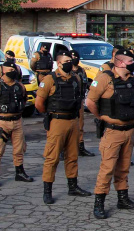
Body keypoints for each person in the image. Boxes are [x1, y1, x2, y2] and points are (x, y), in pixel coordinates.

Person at [86, 50, 134, 219]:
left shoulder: (133, 79)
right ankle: (99, 203)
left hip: (129, 130)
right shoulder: (104, 78)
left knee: (124, 167)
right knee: (107, 168)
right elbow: (90, 102)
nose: (133, 63)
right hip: (112, 131)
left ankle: (122, 198)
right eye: (130, 60)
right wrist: (101, 117)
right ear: (119, 63)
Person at [36, 51, 92, 204]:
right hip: (57, 121)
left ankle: (72, 186)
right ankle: (47, 190)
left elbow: (79, 97)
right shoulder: (49, 79)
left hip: (72, 120)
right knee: (52, 157)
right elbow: (39, 103)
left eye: (71, 59)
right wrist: (50, 114)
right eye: (67, 60)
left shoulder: (76, 78)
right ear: (59, 63)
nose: (70, 62)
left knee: (72, 156)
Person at [0, 60, 33, 188]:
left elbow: (24, 100)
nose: (12, 72)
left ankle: (19, 172)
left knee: (19, 148)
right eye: (9, 71)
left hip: (17, 121)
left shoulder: (19, 86)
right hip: (3, 122)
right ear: (3, 72)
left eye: (13, 70)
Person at [69, 49, 95, 157]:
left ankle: (80, 147)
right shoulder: (66, 72)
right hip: (68, 102)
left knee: (80, 125)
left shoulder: (82, 70)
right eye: (72, 57)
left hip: (79, 101)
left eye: (76, 57)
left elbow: (85, 84)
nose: (74, 59)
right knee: (67, 126)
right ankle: (63, 149)